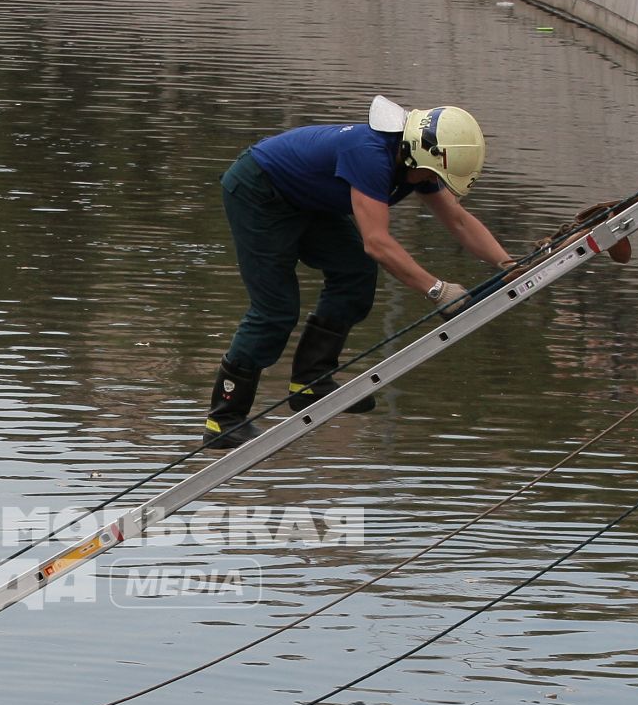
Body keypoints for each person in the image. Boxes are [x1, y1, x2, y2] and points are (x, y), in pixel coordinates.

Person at [204, 101, 519, 449]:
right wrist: (437, 290)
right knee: (275, 310)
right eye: (432, 175)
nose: (432, 183)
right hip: (259, 190)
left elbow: (457, 220)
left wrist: (508, 265)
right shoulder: (370, 154)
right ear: (415, 155)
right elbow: (377, 242)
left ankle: (310, 383)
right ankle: (224, 419)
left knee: (354, 273)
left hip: (305, 200)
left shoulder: (414, 160)